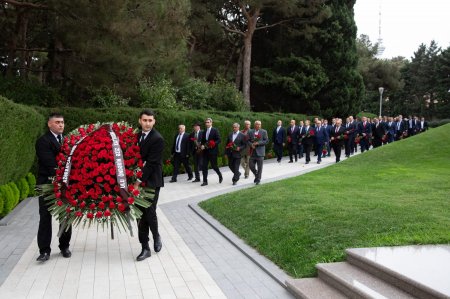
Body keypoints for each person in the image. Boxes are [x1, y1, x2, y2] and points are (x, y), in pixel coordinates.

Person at [35, 113, 72, 262]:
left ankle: (64, 246)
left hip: (64, 185)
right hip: (46, 184)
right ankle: (44, 251)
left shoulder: (68, 141)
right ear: (49, 124)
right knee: (45, 216)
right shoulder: (43, 141)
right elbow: (50, 163)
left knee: (66, 216)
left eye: (62, 122)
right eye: (57, 122)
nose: (61, 125)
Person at [134, 109, 164, 261]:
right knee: (140, 214)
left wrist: (137, 183)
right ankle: (145, 247)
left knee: (149, 210)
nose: (147, 123)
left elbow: (151, 163)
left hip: (152, 181)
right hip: (138, 180)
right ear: (140, 121)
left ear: (154, 121)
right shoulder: (136, 136)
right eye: (145, 120)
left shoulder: (157, 139)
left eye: (150, 120)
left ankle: (156, 234)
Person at [200, 118, 223, 186]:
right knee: (204, 166)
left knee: (214, 166)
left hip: (213, 152)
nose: (206, 124)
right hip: (205, 152)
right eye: (206, 122)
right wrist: (202, 145)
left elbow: (219, 140)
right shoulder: (204, 131)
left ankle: (220, 175)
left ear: (211, 123)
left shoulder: (215, 130)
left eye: (208, 122)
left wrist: (213, 144)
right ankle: (205, 181)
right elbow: (203, 141)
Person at [248, 120, 269, 185]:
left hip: (260, 152)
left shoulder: (264, 131)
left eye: (259, 124)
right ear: (255, 125)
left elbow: (266, 141)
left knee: (260, 167)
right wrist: (251, 145)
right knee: (251, 165)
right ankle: (257, 175)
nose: (258, 125)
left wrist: (258, 143)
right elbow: (248, 140)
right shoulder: (250, 131)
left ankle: (258, 179)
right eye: (257, 124)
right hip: (252, 152)